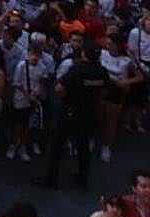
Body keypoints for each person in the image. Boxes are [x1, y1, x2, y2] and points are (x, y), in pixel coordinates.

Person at [34, 41, 108, 190]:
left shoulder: (77, 70)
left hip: (71, 111)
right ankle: (82, 177)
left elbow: (59, 89)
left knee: (57, 145)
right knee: (83, 146)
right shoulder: (102, 72)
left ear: (83, 54)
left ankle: (52, 178)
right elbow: (103, 94)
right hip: (89, 113)